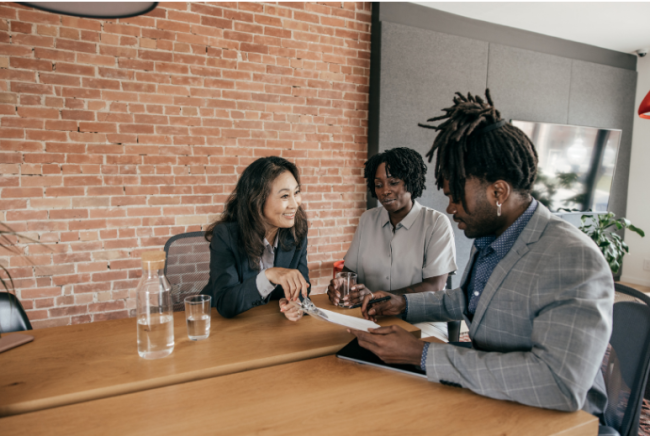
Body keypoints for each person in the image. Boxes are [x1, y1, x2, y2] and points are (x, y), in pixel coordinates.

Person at [349, 90, 614, 418]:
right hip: (496, 398)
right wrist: (402, 303)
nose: (450, 207)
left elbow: (559, 383)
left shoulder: (572, 258)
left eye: (457, 197)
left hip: (556, 419)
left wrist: (423, 354)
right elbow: (469, 300)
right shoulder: (492, 238)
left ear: (498, 192)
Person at [327, 147, 457, 339]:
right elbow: (348, 271)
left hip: (421, 321)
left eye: (393, 182)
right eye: (378, 184)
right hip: (369, 318)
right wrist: (342, 287)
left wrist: (378, 297)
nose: (385, 191)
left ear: (411, 182)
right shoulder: (367, 220)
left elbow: (434, 286)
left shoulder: (435, 223)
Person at [201, 156, 310, 320]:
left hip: (269, 324)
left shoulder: (297, 230)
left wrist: (296, 303)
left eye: (296, 192)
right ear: (257, 200)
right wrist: (268, 276)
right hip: (221, 326)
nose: (295, 204)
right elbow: (225, 303)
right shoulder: (225, 236)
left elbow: (302, 286)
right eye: (284, 196)